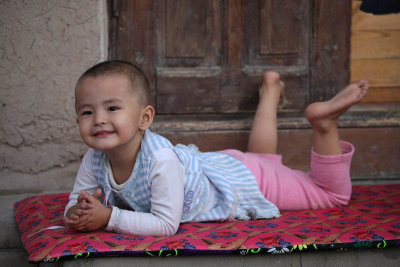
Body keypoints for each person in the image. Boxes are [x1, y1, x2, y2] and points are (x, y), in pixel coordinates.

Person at [64, 60, 369, 236]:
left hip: (247, 181)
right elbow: (71, 206)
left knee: (332, 197)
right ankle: (271, 91)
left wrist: (108, 218)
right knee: (262, 159)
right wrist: (78, 212)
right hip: (226, 166)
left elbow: (166, 225)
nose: (99, 120)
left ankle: (324, 123)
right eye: (87, 112)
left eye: (112, 108)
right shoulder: (96, 156)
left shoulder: (159, 159)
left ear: (145, 118)